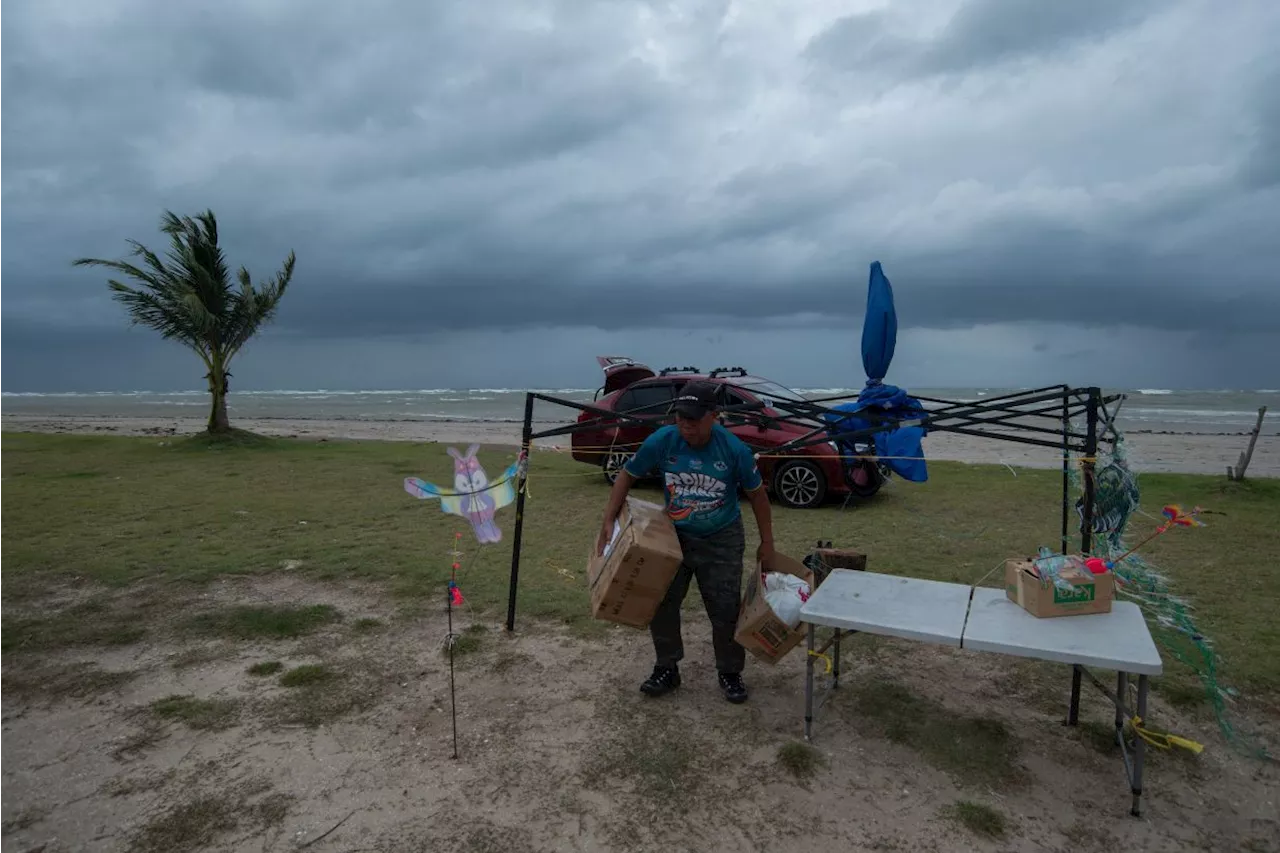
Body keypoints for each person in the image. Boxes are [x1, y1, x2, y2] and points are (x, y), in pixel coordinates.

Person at [595, 380, 775, 704]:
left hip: (722, 537)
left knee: (724, 610)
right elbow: (627, 474)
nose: (686, 427)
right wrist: (609, 519)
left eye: (693, 420)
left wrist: (768, 543)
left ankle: (730, 671)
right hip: (674, 535)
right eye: (680, 418)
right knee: (662, 603)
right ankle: (667, 667)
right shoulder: (664, 441)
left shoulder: (734, 449)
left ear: (713, 416)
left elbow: (758, 495)